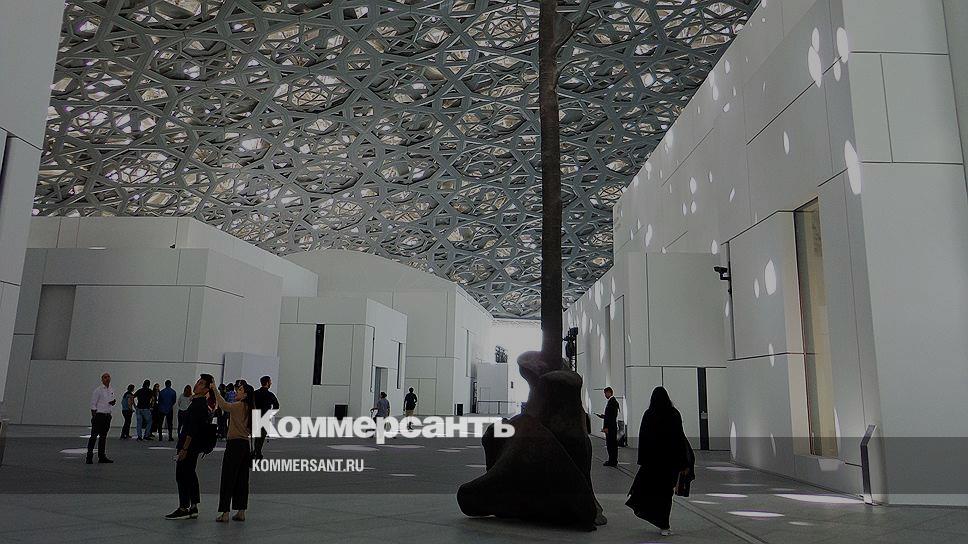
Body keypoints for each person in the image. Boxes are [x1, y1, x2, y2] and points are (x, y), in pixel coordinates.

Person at [626, 387, 691, 536]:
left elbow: (643, 438)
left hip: (653, 463)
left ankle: (656, 518)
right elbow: (679, 438)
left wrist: (643, 460)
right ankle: (664, 524)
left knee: (652, 491)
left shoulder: (649, 414)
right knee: (666, 494)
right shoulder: (674, 414)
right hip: (670, 463)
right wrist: (683, 462)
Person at [166, 373, 215, 520]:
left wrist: (184, 449)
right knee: (190, 474)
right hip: (194, 445)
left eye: (201, 383)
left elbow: (191, 429)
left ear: (206, 389)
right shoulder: (199, 403)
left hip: (189, 445)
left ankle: (184, 507)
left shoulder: (198, 405)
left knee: (182, 475)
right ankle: (193, 506)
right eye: (198, 382)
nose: (197, 385)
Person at [212, 381, 254, 522]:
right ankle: (241, 511)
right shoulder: (251, 408)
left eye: (240, 390)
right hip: (245, 445)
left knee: (228, 478)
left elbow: (223, 405)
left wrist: (215, 389)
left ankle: (225, 512)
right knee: (242, 479)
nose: (237, 391)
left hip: (234, 444)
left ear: (245, 394)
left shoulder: (238, 406)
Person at [87, 372, 116, 464]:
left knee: (103, 437)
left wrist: (112, 403)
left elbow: (110, 400)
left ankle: (102, 456)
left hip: (107, 416)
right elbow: (93, 404)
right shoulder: (98, 390)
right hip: (99, 415)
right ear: (102, 379)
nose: (107, 379)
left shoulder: (111, 389)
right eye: (105, 377)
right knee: (93, 436)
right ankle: (89, 456)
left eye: (108, 377)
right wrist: (94, 417)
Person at [251, 376, 279, 460]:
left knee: (257, 436)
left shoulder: (255, 393)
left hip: (256, 416)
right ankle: (257, 452)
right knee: (261, 437)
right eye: (270, 381)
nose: (271, 383)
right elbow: (276, 406)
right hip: (265, 417)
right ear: (267, 383)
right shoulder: (270, 395)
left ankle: (256, 452)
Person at [596, 387, 620, 467]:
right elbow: (610, 415)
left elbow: (611, 417)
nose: (605, 395)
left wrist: (606, 427)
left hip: (610, 427)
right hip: (612, 426)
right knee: (612, 444)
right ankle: (612, 460)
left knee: (611, 444)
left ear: (609, 392)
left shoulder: (612, 402)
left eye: (605, 393)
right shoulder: (612, 401)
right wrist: (603, 416)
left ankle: (612, 461)